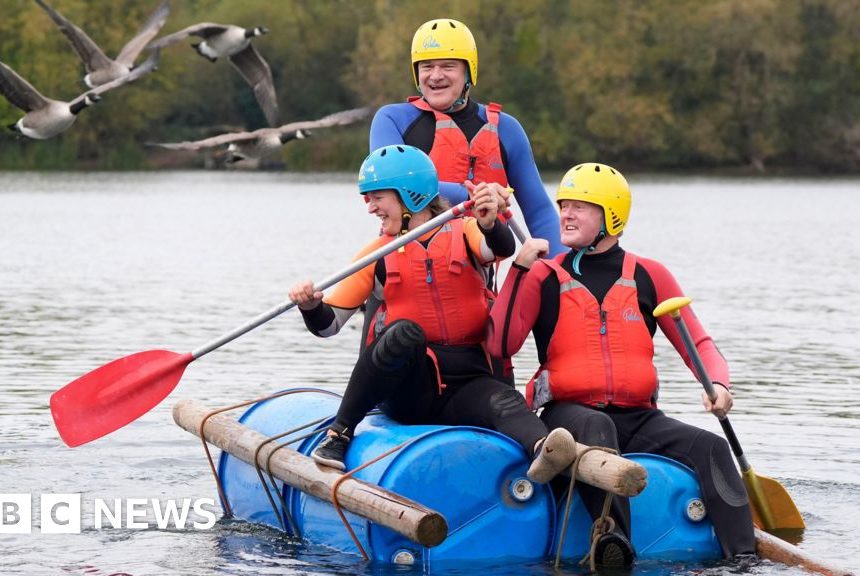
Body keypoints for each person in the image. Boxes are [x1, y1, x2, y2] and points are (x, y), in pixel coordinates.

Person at [488, 163, 756, 566]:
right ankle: (613, 542)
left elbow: (698, 342)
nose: (566, 214)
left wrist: (718, 384)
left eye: (579, 206)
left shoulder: (650, 275)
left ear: (611, 215)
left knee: (711, 446)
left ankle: (745, 561)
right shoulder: (543, 274)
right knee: (599, 426)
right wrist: (520, 270)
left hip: (640, 419)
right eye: (563, 205)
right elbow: (499, 344)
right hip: (570, 417)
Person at [288, 144, 576, 485]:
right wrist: (310, 306)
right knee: (404, 332)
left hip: (469, 383)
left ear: (410, 195)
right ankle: (339, 434)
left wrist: (489, 223)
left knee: (505, 400)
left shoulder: (467, 230)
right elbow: (329, 326)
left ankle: (545, 450)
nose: (371, 208)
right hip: (410, 391)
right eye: (368, 199)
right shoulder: (376, 254)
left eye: (377, 197)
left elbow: (500, 247)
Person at [369, 18, 563, 256]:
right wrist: (474, 195)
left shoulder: (507, 129)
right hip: (406, 261)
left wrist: (561, 267)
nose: (435, 76)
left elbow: (540, 212)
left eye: (448, 66)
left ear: (469, 72)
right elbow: (392, 181)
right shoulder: (392, 120)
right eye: (427, 67)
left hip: (479, 266)